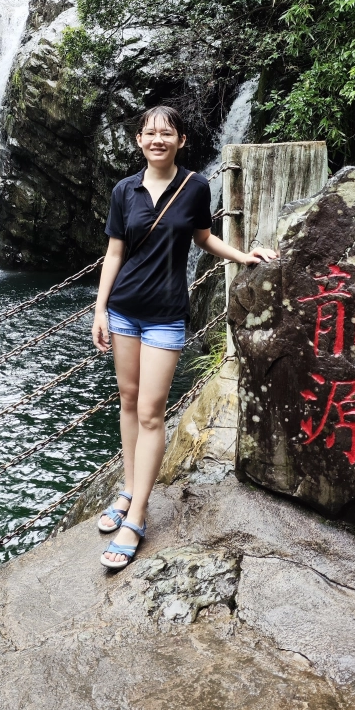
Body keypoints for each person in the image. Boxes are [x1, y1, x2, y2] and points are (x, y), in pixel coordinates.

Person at [91, 105, 278, 569]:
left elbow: (204, 238)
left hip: (166, 317)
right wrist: (99, 309)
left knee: (152, 414)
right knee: (129, 403)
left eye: (166, 133)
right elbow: (114, 254)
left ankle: (136, 516)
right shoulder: (123, 190)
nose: (158, 139)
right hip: (123, 311)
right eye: (149, 132)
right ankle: (129, 488)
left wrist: (244, 256)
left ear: (181, 141)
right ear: (139, 141)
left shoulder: (194, 186)